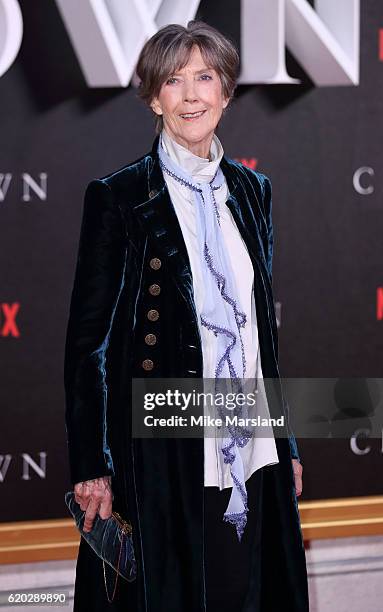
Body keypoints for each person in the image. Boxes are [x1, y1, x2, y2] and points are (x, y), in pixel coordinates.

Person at [64, 20, 309, 612]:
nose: (192, 94)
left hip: (251, 441)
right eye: (175, 80)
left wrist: (288, 442)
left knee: (246, 593)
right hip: (165, 445)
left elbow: (258, 338)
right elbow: (88, 345)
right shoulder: (119, 198)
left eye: (206, 77)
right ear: (154, 97)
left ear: (226, 93)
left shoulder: (253, 192)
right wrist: (93, 466)